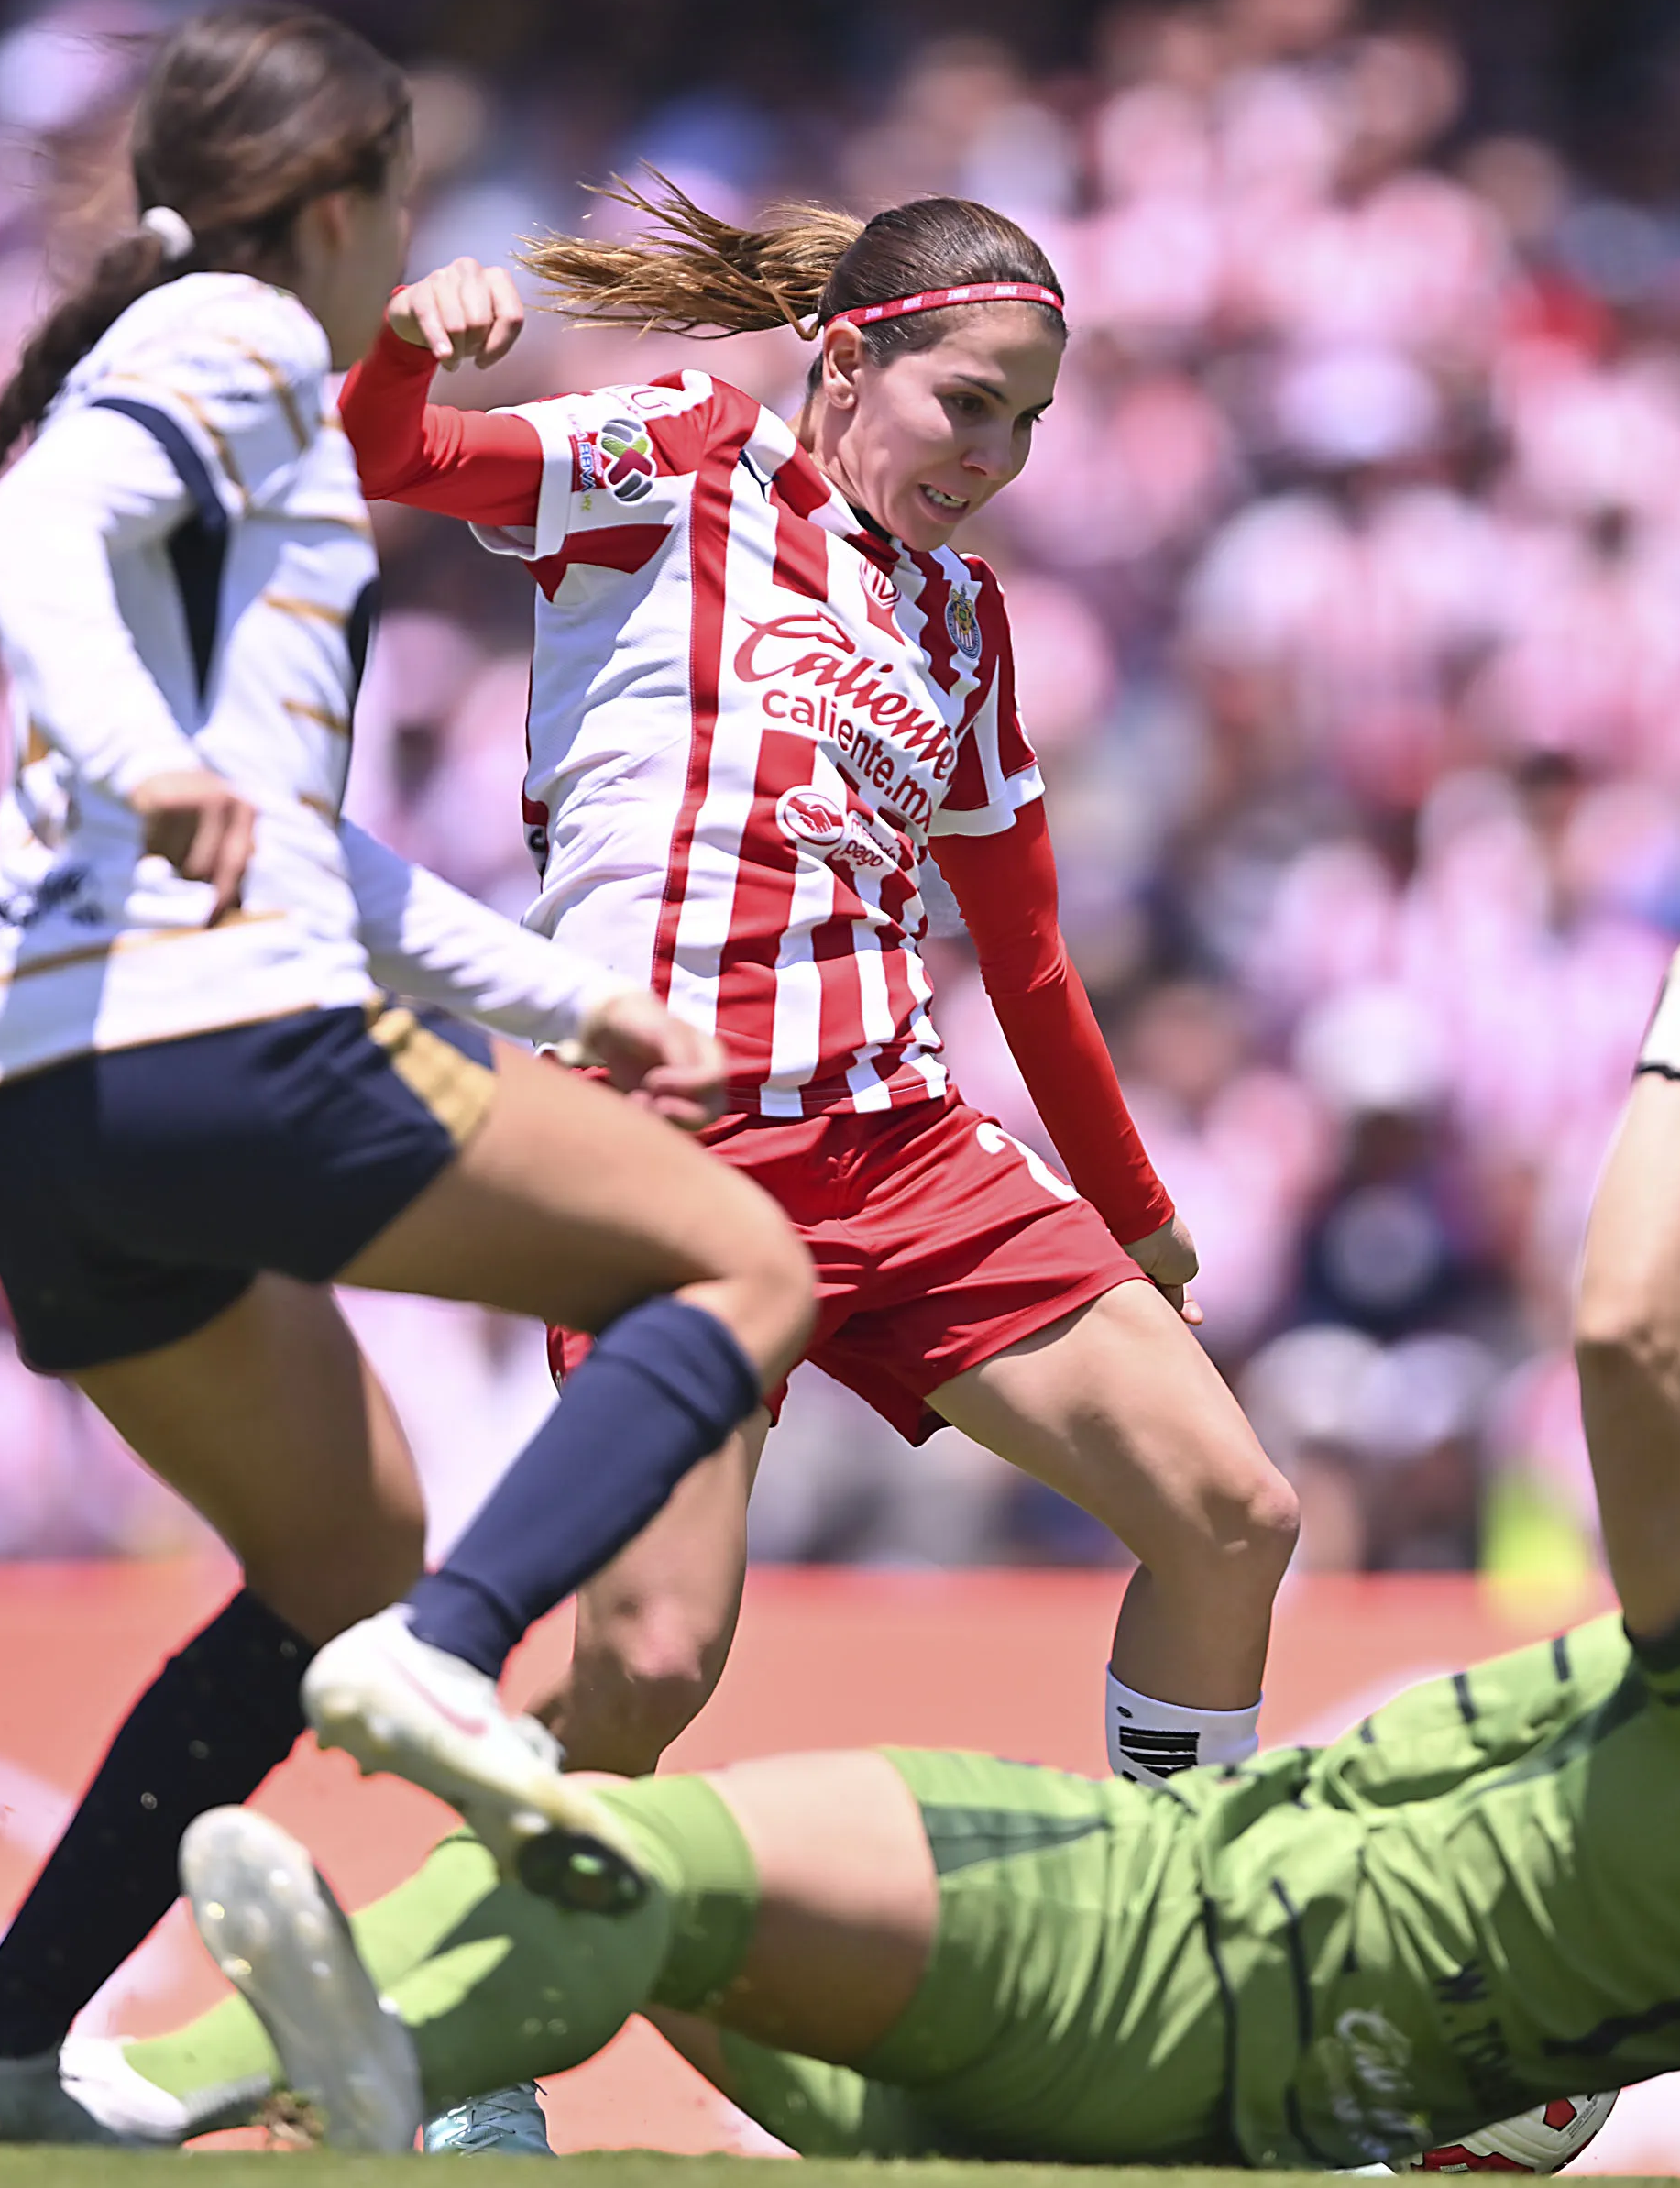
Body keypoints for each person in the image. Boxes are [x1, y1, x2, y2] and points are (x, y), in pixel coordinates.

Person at [115, 808, 1680, 2162]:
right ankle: (395, 2088)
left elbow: (1634, 1342)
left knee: (630, 1852)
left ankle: (174, 2098)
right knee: (666, 1936)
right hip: (1217, 2135)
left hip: (1148, 1952)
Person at [0, 4, 818, 2148]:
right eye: (405, 197)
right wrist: (155, 762)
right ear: (346, 202)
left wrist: (565, 1009)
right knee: (744, 1270)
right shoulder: (244, 335)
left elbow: (315, 843)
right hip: (212, 1036)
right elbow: (30, 544)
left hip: (20, 1095)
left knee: (330, 1552)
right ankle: (456, 1656)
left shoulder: (215, 356)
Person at [343, 183, 1298, 1789]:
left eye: (1028, 423)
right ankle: (442, 2005)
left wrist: (1134, 1210)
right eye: (966, 405)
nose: (991, 458)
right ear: (847, 365)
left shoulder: (966, 622)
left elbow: (1031, 955)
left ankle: (1181, 1954)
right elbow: (394, 458)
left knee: (1234, 1514)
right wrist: (398, 346)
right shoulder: (685, 455)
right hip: (665, 1157)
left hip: (900, 1142)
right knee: (650, 1664)